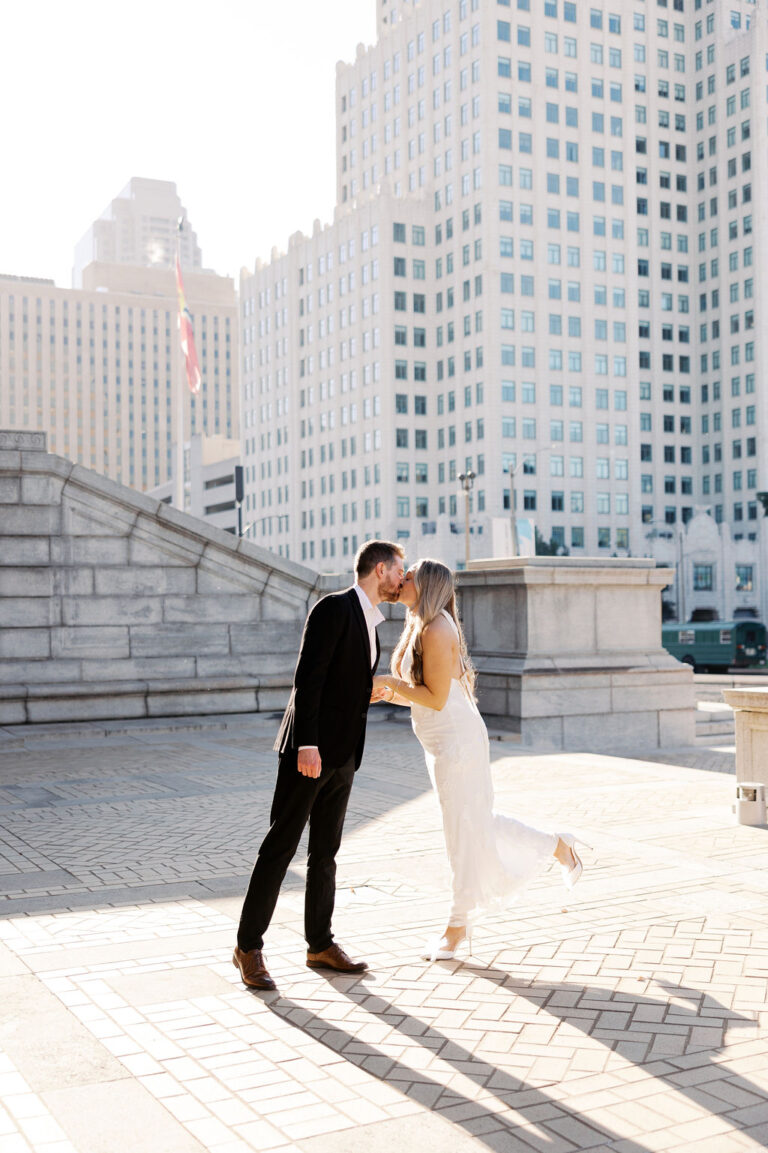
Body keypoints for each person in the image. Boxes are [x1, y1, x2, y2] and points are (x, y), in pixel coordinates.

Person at [372, 558, 585, 961]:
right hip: (442, 743)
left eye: (410, 576)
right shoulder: (420, 625)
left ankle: (456, 928)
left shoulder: (435, 629)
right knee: (475, 825)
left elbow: (434, 698)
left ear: (429, 585)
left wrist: (388, 682)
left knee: (463, 833)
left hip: (458, 743)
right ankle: (558, 846)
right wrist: (390, 693)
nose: (401, 580)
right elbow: (423, 693)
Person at [234, 539, 405, 989]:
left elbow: (343, 683)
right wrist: (307, 744)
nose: (402, 580)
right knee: (280, 849)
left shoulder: (373, 624)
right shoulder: (332, 608)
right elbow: (307, 680)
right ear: (381, 568)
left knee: (324, 855)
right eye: (399, 571)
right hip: (310, 754)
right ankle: (247, 948)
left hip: (344, 756)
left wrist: (375, 690)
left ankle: (320, 945)